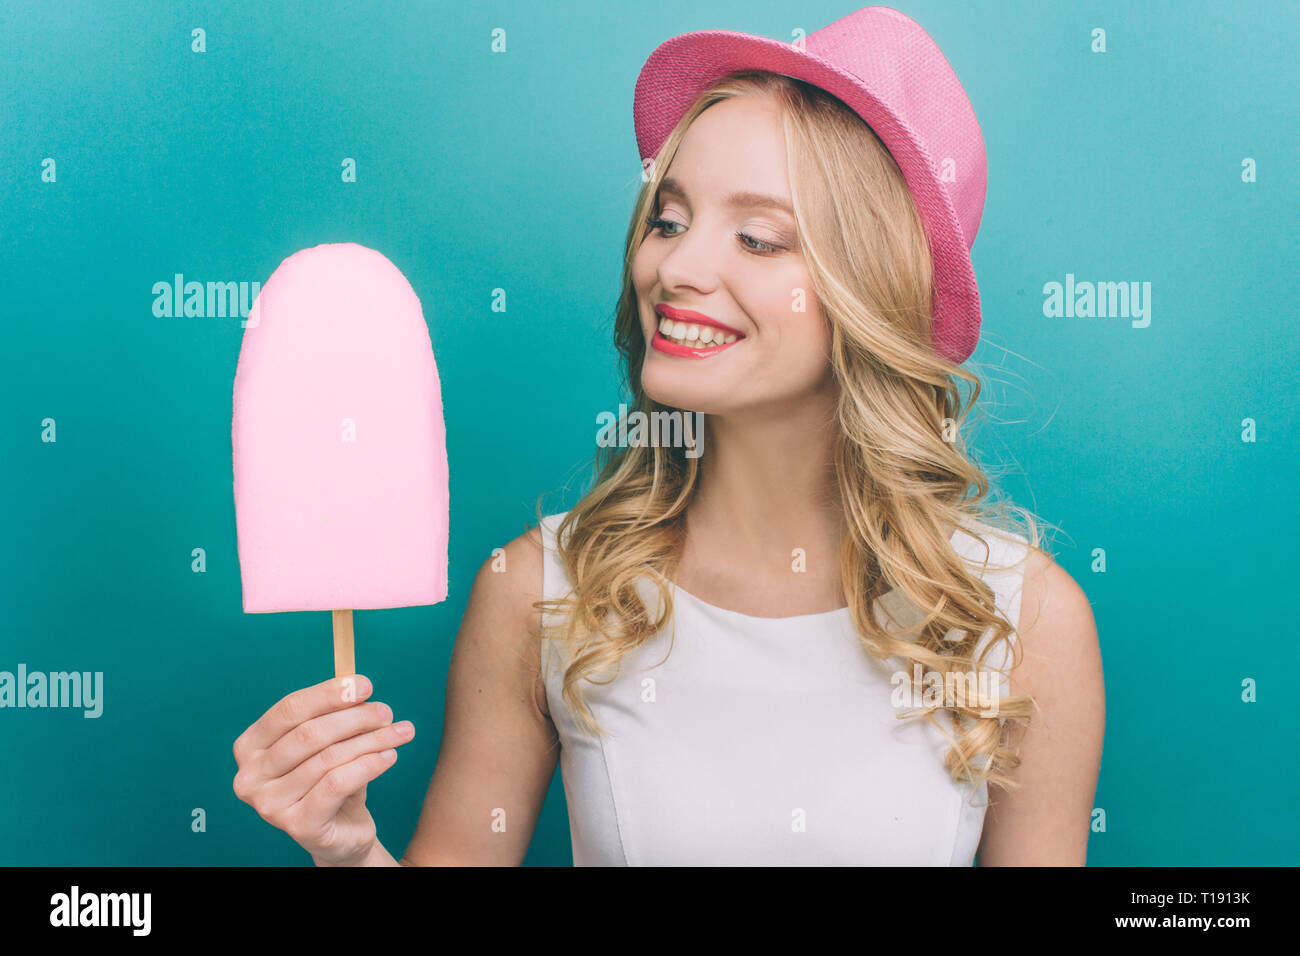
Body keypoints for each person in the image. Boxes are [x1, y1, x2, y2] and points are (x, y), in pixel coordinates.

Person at [232, 7, 1104, 866]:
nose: (676, 269)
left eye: (758, 239)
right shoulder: (539, 595)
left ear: (870, 293)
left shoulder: (1024, 620)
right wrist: (347, 853)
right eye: (669, 219)